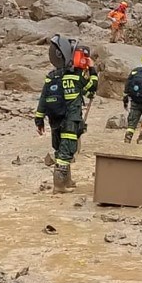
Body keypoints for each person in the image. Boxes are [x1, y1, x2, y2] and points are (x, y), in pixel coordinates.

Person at [35, 44, 95, 193]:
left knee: (59, 149)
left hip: (55, 119)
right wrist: (92, 69)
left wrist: (39, 120)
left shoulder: (51, 76)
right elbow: (92, 87)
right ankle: (59, 186)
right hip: (70, 118)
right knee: (67, 151)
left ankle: (67, 181)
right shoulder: (77, 76)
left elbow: (43, 99)